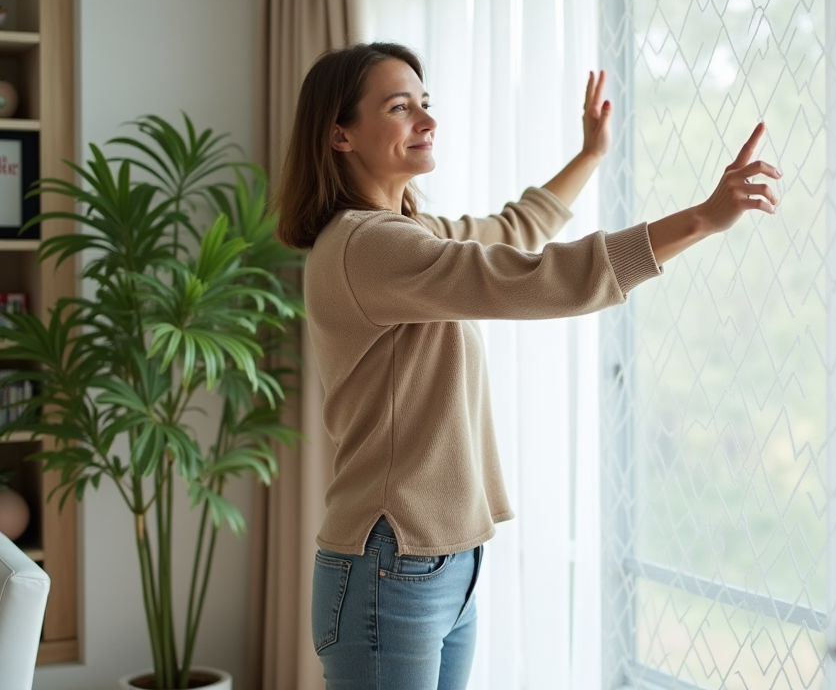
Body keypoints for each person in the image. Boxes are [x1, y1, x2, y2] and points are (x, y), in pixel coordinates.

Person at [274, 42, 781, 690]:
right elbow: (536, 278)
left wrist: (590, 155)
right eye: (401, 108)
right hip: (391, 560)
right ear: (339, 134)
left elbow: (514, 230)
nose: (427, 121)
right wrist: (703, 219)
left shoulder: (408, 231)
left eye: (426, 104)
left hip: (440, 560)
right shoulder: (369, 246)